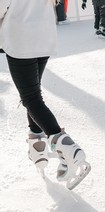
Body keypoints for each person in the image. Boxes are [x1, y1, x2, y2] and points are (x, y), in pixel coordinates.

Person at [0, 0, 91, 190]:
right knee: (33, 94)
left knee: (30, 98)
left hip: (21, 35)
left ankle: (69, 150)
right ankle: (37, 145)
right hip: (43, 35)